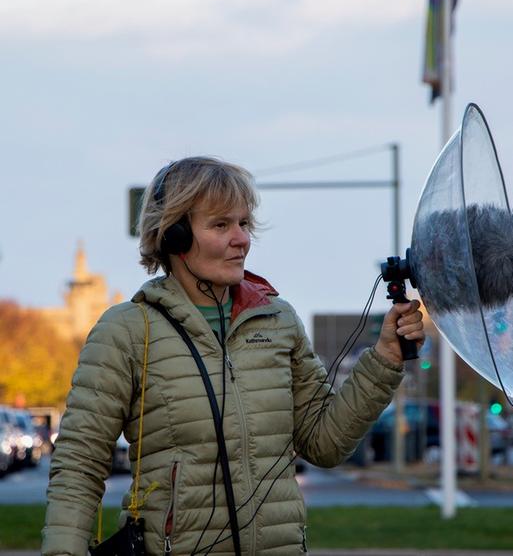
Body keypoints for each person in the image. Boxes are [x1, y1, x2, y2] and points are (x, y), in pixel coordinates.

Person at [42, 156, 424, 556]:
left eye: (244, 223)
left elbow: (324, 443)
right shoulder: (128, 330)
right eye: (221, 225)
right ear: (174, 235)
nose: (241, 238)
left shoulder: (277, 320)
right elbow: (79, 464)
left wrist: (385, 358)